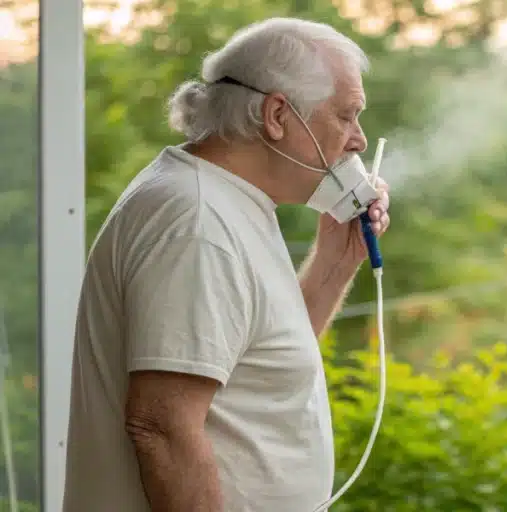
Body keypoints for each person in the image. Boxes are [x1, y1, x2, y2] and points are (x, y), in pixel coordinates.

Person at [62, 17, 390, 512]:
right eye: (346, 115)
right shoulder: (198, 222)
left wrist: (337, 259)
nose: (359, 139)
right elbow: (162, 428)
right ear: (279, 114)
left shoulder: (228, 203)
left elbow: (259, 367)